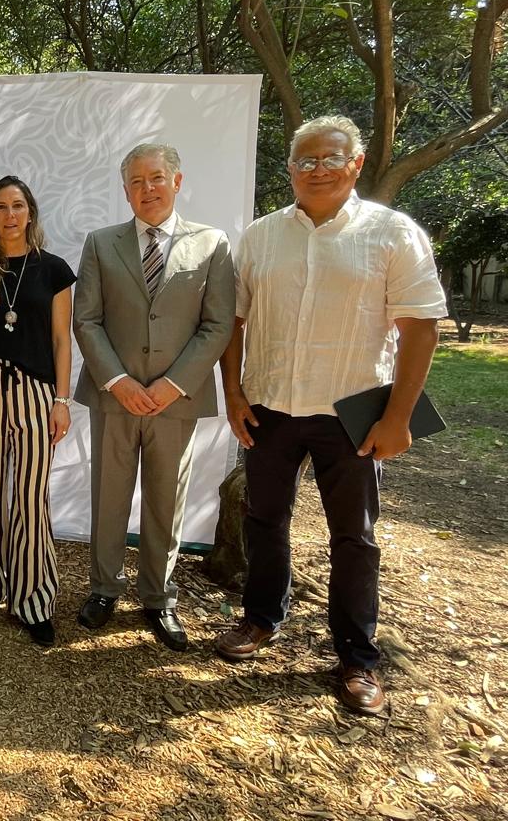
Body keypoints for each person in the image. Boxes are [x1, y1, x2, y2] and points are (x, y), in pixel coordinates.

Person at [215, 115, 446, 715]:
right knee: (264, 519)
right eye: (305, 160)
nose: (317, 169)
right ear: (289, 168)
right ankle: (261, 618)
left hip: (354, 414)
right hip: (269, 405)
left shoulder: (393, 233)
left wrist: (399, 418)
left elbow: (421, 329)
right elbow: (234, 322)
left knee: (354, 537)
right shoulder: (261, 237)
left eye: (330, 158)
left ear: (356, 163)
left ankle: (356, 657)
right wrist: (234, 393)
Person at [73, 142, 235, 651]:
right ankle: (103, 587)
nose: (147, 189)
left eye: (156, 178)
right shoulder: (101, 244)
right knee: (109, 496)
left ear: (177, 181)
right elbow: (87, 320)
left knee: (167, 497)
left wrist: (172, 383)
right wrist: (118, 381)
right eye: (137, 182)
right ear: (125, 190)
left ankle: (159, 597)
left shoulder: (211, 243)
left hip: (175, 400)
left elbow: (218, 324)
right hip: (115, 397)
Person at [0, 177, 76, 648]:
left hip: (35, 391)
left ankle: (32, 598)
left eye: (18, 206)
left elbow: (62, 340)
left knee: (29, 496)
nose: (10, 214)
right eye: (1, 207)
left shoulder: (55, 271)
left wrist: (61, 402)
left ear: (30, 213)